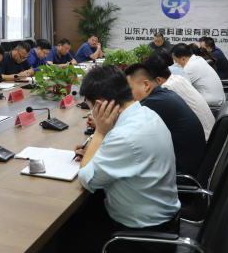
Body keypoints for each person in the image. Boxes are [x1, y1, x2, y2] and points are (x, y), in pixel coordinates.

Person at [65, 65, 180, 253]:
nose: (91, 114)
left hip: (141, 238)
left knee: (66, 238)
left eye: (92, 109)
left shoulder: (124, 137)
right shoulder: (148, 114)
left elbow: (85, 178)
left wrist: (99, 132)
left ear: (102, 105)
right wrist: (97, 148)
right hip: (164, 221)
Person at [124, 63, 205, 176]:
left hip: (181, 174)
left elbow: (124, 130)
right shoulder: (165, 94)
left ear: (146, 85)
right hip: (196, 166)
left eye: (129, 91)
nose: (128, 97)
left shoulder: (151, 103)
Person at [145, 55, 216, 139]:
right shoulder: (179, 78)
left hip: (204, 139)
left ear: (158, 80)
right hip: (212, 133)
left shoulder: (167, 88)